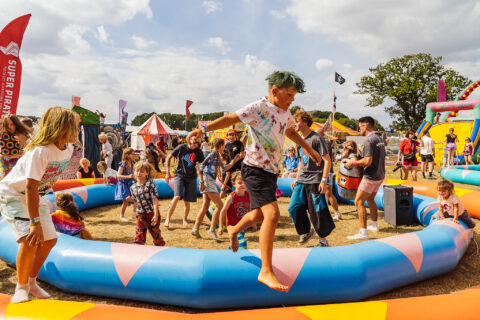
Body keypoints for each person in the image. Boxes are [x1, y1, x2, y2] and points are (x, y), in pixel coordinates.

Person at [188, 70, 322, 292]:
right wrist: (203, 128)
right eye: (289, 95)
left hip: (270, 172)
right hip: (253, 169)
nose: (292, 100)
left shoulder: (285, 112)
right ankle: (266, 270)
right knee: (273, 214)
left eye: (294, 96)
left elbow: (291, 133)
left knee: (260, 214)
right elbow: (231, 118)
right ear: (274, 91)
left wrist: (308, 149)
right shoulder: (258, 108)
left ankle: (233, 230)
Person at [0, 107, 79, 303]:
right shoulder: (40, 151)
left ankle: (32, 281)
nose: (78, 130)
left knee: (50, 240)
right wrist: (34, 222)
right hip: (13, 195)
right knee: (29, 239)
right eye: (75, 126)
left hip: (37, 196)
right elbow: (30, 186)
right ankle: (21, 287)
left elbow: (39, 187)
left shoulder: (68, 149)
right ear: (62, 128)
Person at [288, 110, 334, 247]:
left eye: (297, 121)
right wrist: (296, 178)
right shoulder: (299, 139)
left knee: (317, 211)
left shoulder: (316, 138)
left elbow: (327, 161)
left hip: (315, 180)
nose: (295, 124)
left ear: (305, 122)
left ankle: (323, 241)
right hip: (302, 180)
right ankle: (306, 231)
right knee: (293, 207)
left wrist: (324, 180)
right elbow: (302, 160)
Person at [191, 138, 240, 240]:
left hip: (209, 180)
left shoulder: (218, 156)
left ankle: (195, 229)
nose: (224, 148)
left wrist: (235, 160)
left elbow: (225, 168)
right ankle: (212, 229)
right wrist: (201, 182)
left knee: (205, 206)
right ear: (220, 145)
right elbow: (201, 167)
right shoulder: (212, 155)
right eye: (223, 146)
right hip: (207, 180)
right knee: (220, 205)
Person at [345, 116, 385, 240]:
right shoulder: (379, 138)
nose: (359, 128)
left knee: (359, 202)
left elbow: (368, 161)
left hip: (370, 176)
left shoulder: (369, 140)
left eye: (360, 125)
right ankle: (374, 225)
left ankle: (363, 232)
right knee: (371, 199)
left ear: (366, 125)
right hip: (380, 175)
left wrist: (353, 163)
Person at [164, 136, 205, 228]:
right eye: (193, 141)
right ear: (189, 140)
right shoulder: (182, 147)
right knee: (177, 196)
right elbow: (168, 157)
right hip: (180, 175)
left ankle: (185, 219)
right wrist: (167, 173)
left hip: (192, 177)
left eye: (196, 142)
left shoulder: (198, 151)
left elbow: (203, 163)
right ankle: (167, 219)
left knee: (187, 201)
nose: (194, 144)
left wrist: (201, 176)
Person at [129, 161, 166, 246]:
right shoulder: (133, 187)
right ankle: (138, 253)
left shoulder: (150, 184)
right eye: (137, 171)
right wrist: (134, 212)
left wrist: (156, 215)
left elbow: (155, 201)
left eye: (142, 171)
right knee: (139, 236)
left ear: (147, 173)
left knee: (156, 235)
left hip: (151, 214)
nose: (139, 173)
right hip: (140, 215)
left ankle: (160, 248)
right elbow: (135, 201)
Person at [218, 171, 250, 250]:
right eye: (239, 183)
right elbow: (223, 211)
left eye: (244, 182)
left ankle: (230, 254)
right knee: (242, 243)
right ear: (233, 184)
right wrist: (220, 226)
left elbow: (250, 210)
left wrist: (253, 223)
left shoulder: (248, 196)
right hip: (232, 226)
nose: (242, 185)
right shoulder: (231, 197)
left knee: (235, 244)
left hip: (242, 225)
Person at [316, 127, 342, 220]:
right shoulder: (321, 142)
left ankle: (337, 213)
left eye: (317, 134)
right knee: (322, 192)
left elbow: (325, 156)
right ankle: (322, 212)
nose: (315, 136)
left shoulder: (325, 142)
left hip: (327, 171)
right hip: (321, 171)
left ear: (322, 134)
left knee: (328, 192)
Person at [0, 114, 30, 180]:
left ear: (16, 124)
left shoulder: (21, 136)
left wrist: (21, 151)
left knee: (13, 180)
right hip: (3, 160)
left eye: (12, 124)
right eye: (7, 124)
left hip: (16, 161)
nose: (9, 126)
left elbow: (27, 151)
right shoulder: (2, 133)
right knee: (3, 178)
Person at [115, 147, 136, 222]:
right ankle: (122, 215)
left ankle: (134, 214)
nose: (134, 155)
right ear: (127, 155)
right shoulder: (123, 164)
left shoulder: (132, 164)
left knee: (134, 199)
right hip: (123, 184)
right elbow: (118, 175)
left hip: (130, 183)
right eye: (133, 154)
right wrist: (128, 176)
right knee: (126, 201)